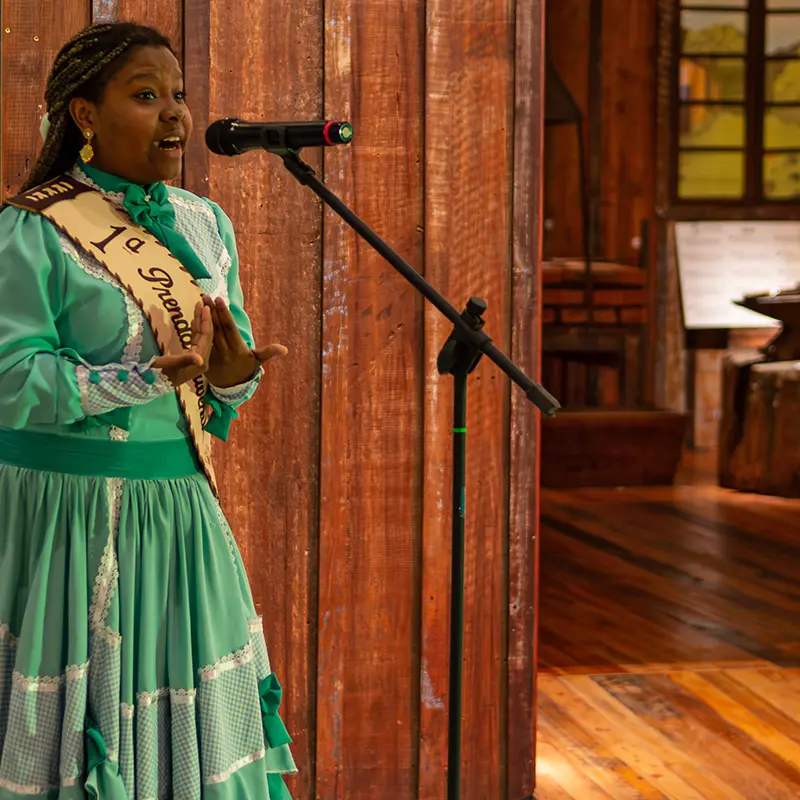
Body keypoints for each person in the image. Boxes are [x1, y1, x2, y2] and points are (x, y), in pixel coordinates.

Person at [0, 22, 296, 799]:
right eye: (145, 96)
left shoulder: (203, 224)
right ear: (84, 115)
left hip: (178, 519)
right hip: (63, 523)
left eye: (179, 96)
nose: (175, 115)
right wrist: (135, 381)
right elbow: (11, 378)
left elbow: (222, 379)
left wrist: (231, 379)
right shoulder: (32, 229)